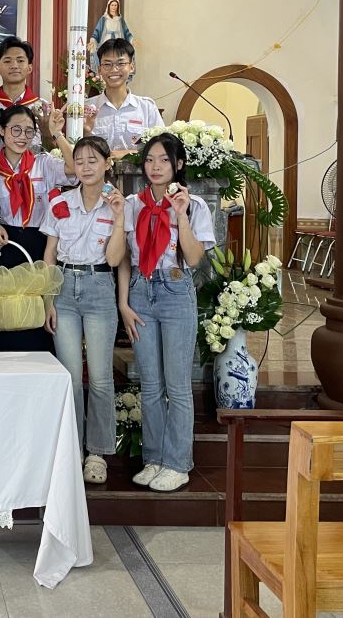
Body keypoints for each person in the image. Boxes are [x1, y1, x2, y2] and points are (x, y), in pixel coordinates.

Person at [119, 132, 216, 494]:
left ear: (179, 164)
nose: (155, 167)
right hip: (141, 290)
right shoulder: (133, 204)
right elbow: (124, 257)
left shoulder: (194, 205)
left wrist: (180, 215)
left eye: (163, 160)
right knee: (150, 384)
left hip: (176, 288)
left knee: (177, 385)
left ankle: (177, 463)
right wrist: (124, 303)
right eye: (149, 160)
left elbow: (195, 258)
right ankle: (155, 459)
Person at [41, 135, 126, 485]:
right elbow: (49, 253)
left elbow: (115, 259)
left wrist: (119, 218)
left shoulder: (118, 204)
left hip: (99, 286)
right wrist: (47, 299)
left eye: (93, 160)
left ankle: (97, 453)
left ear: (107, 163)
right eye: (79, 161)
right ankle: (72, 448)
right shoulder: (60, 202)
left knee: (102, 377)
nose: (86, 167)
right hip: (63, 287)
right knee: (71, 376)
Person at [0, 105, 75, 353]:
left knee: (36, 314)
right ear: (1, 130)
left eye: (28, 131)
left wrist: (57, 134)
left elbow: (74, 168)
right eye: (15, 129)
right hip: (4, 244)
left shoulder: (43, 163)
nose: (22, 137)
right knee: (5, 313)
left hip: (39, 245)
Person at [0, 37, 47, 158]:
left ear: (30, 68)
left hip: (35, 170)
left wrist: (48, 134)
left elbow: (52, 151)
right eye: (7, 61)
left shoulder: (44, 109)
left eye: (20, 60)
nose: (14, 65)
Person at [87, 38, 162, 158]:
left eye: (121, 63)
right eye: (107, 64)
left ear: (132, 67)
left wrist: (127, 154)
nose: (114, 69)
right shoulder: (87, 108)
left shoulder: (147, 107)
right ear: (99, 69)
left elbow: (162, 149)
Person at [87, 0, 133, 72]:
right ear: (109, 6)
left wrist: (132, 39)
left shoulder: (120, 19)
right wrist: (93, 40)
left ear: (118, 7)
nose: (114, 7)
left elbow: (126, 32)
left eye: (115, 5)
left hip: (119, 42)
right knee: (107, 58)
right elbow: (97, 31)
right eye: (112, 5)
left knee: (119, 58)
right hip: (106, 41)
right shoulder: (104, 19)